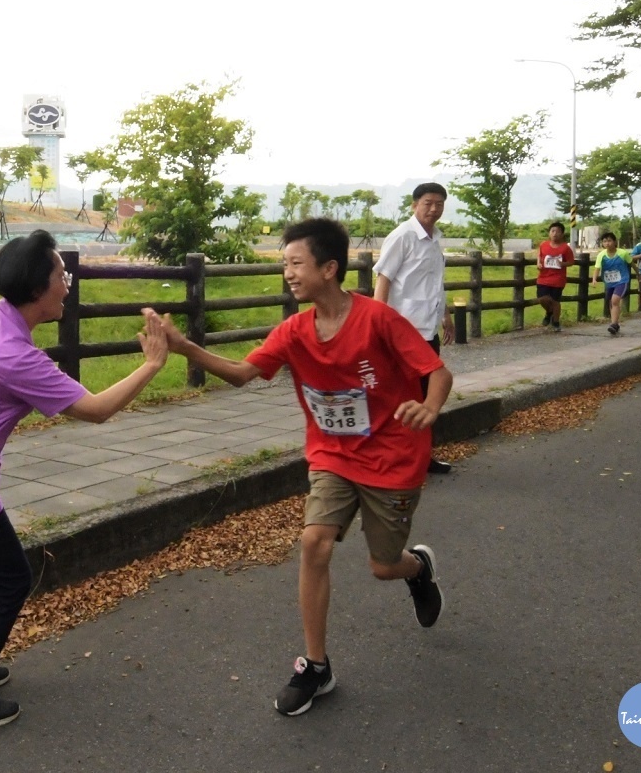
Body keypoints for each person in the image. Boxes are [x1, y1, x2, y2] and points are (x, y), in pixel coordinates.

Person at [151, 218, 449, 717]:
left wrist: (431, 407)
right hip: (332, 454)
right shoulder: (293, 332)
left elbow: (436, 372)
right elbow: (244, 374)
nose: (287, 273)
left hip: (393, 457)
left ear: (329, 269)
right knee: (314, 541)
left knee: (382, 566)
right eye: (283, 264)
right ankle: (316, 666)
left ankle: (416, 569)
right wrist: (183, 348)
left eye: (295, 263)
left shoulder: (378, 319)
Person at [0, 231, 169, 732]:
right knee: (9, 580)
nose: (68, 284)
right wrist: (151, 365)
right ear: (38, 289)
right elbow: (97, 410)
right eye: (62, 275)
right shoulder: (15, 358)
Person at [373, 182, 455, 475]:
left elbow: (435, 283)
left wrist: (446, 315)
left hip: (427, 329)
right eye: (428, 203)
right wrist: (377, 325)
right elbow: (383, 280)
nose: (434, 209)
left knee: (424, 395)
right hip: (402, 330)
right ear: (414, 205)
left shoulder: (435, 238)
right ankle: (395, 457)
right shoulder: (403, 237)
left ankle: (421, 456)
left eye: (439, 204)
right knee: (400, 395)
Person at [535, 221, 576, 332]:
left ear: (562, 234)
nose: (555, 234)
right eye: (552, 231)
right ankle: (549, 312)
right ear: (549, 233)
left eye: (558, 231)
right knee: (542, 299)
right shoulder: (543, 245)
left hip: (558, 278)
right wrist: (538, 263)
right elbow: (539, 256)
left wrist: (563, 264)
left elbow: (571, 262)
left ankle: (556, 322)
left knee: (555, 301)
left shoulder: (565, 248)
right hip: (543, 277)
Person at [593, 232, 631, 336]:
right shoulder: (601, 255)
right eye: (605, 241)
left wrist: (638, 274)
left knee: (615, 300)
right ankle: (615, 324)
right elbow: (597, 267)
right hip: (609, 282)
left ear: (614, 242)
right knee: (611, 302)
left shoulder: (622, 253)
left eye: (609, 240)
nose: (607, 243)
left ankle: (613, 324)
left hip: (622, 280)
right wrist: (594, 279)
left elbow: (631, 263)